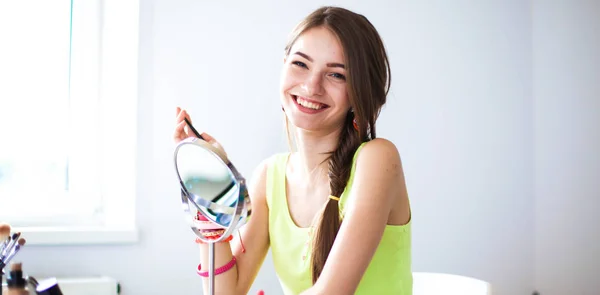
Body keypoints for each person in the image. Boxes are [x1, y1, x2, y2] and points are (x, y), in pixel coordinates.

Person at [174, 6, 412, 295]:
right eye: (301, 64)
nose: (312, 86)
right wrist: (211, 185)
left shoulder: (377, 160)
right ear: (283, 63)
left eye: (336, 75)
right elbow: (224, 291)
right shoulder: (269, 176)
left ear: (359, 91)